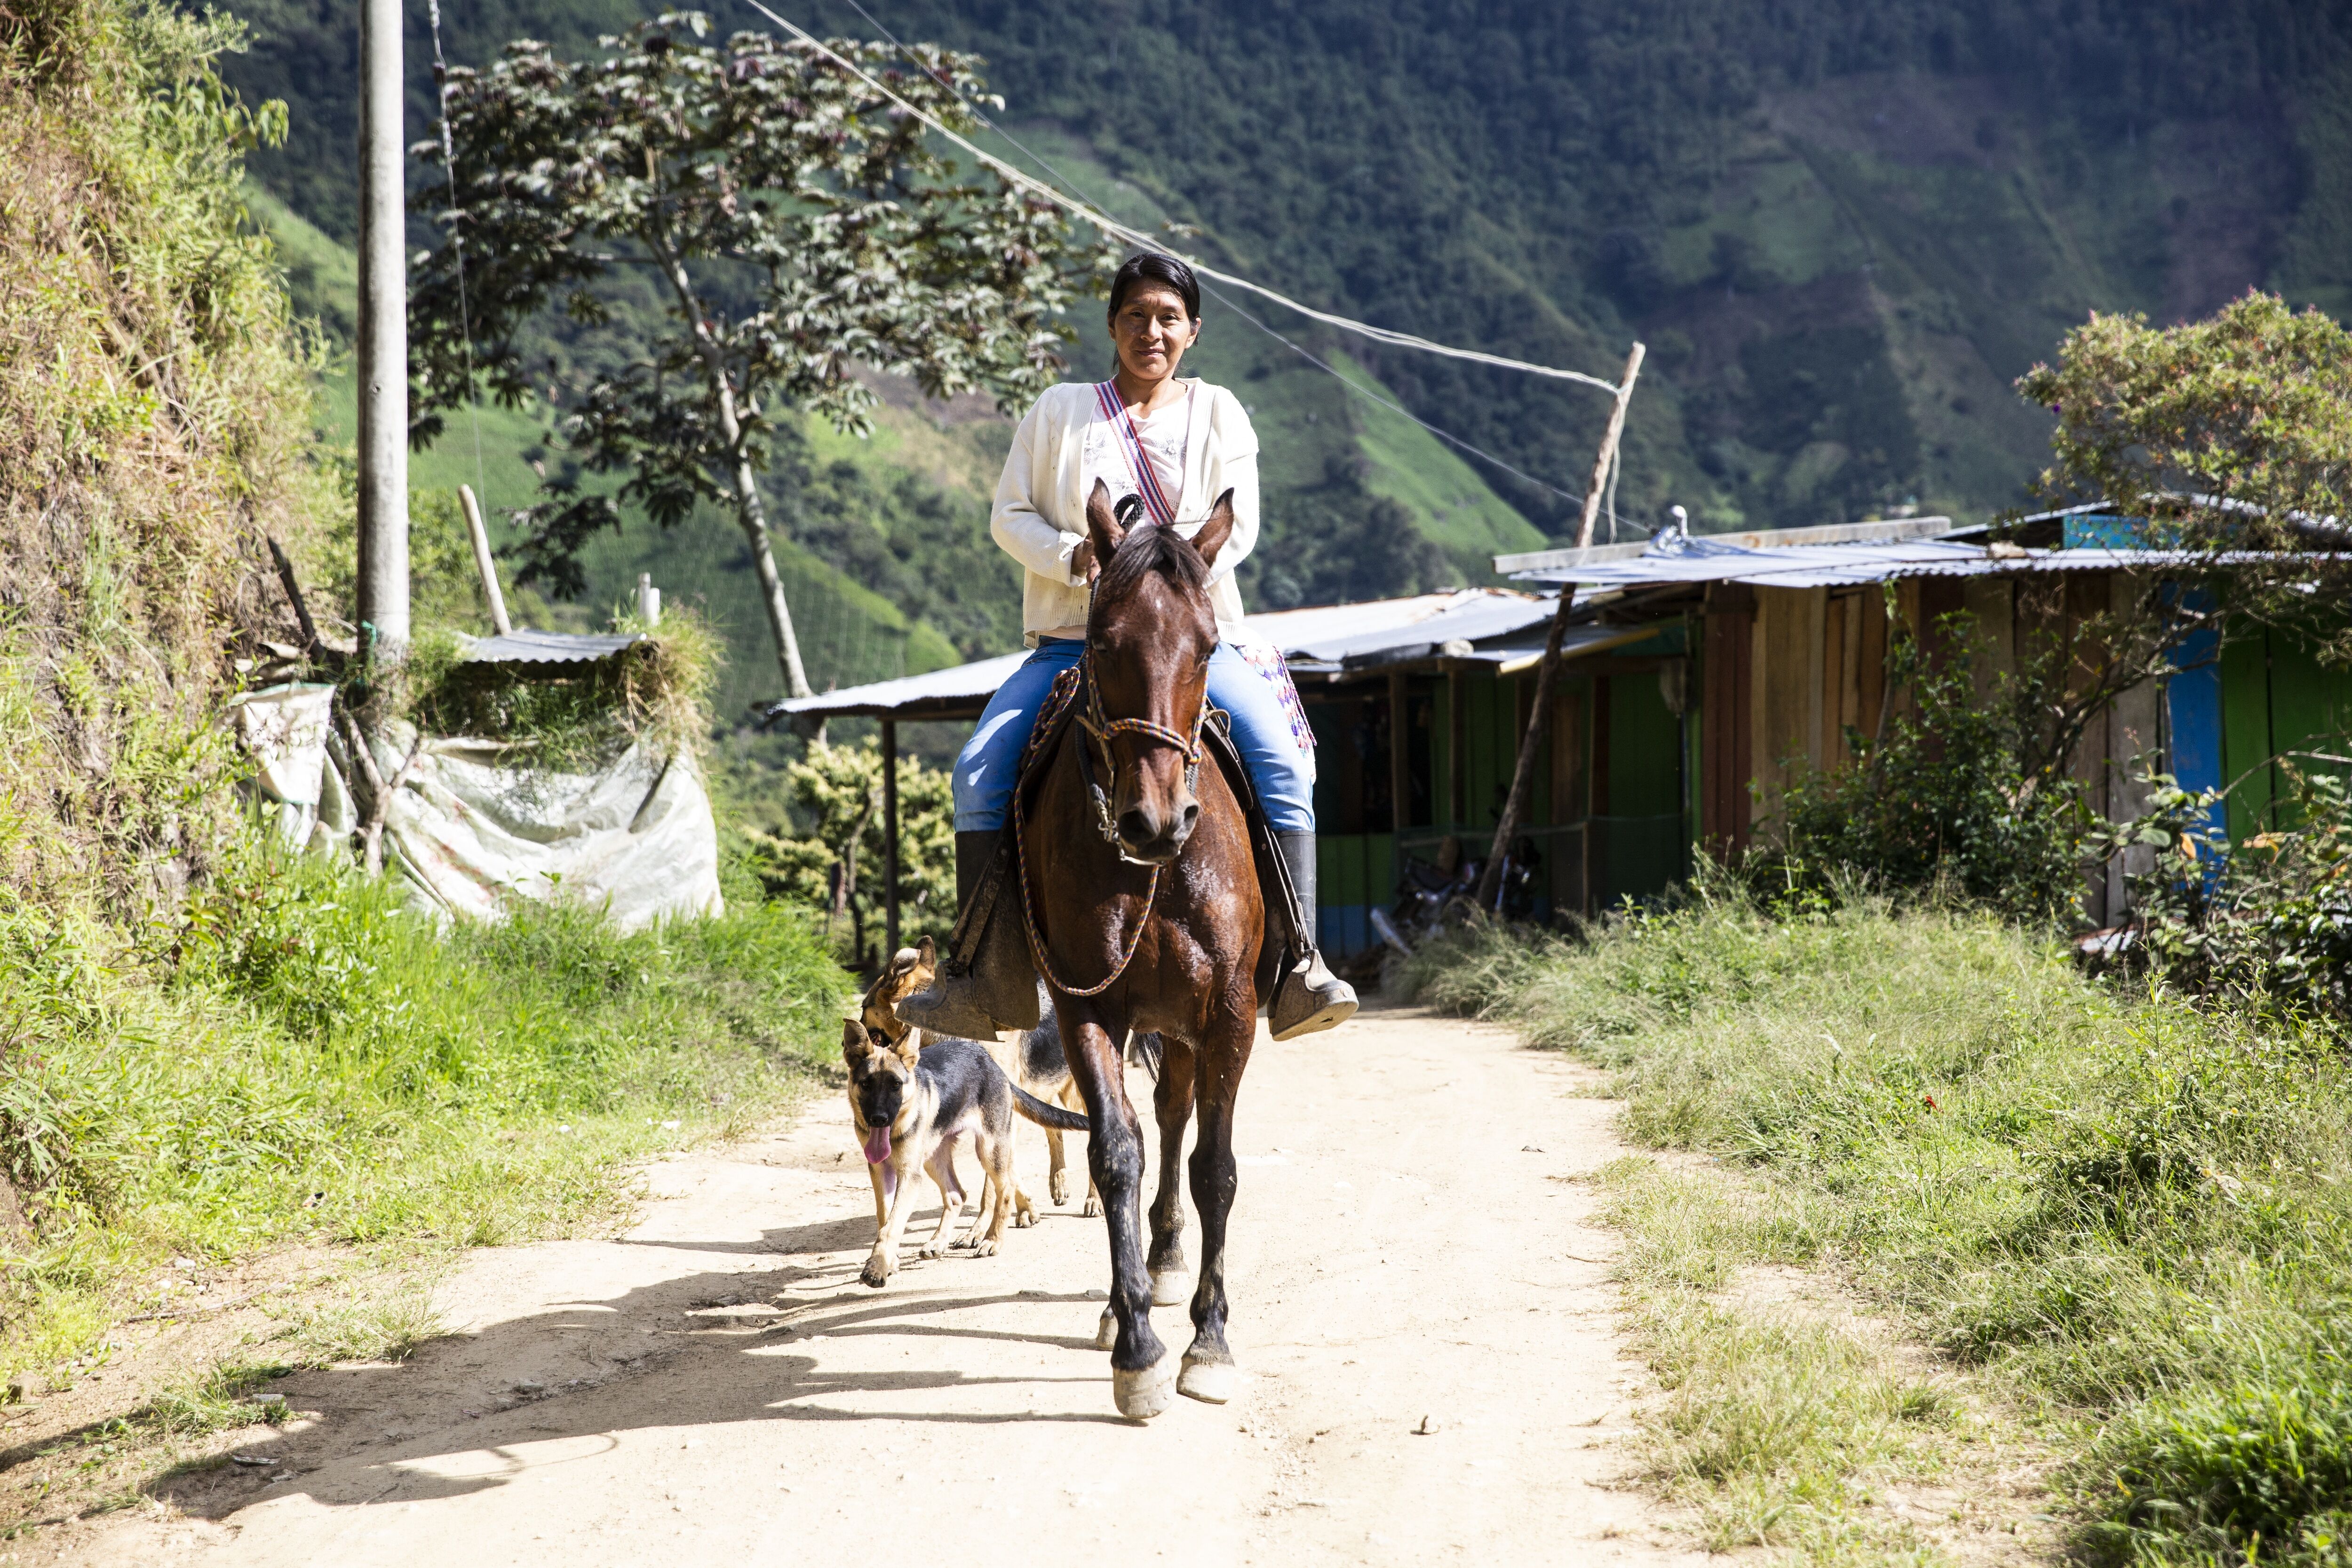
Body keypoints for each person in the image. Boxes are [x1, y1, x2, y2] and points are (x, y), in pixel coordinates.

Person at [901, 251, 1357, 1043]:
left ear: (1193, 332)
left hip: (1189, 649)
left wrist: (1148, 568)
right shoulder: (1058, 411)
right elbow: (1008, 515)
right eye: (1136, 316)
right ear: (1113, 325)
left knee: (1286, 763)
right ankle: (984, 978)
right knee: (977, 772)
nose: (1152, 331)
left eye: (1168, 318)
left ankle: (1298, 966)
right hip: (1073, 644)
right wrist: (1077, 554)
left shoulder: (1220, 413)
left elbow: (1236, 525)